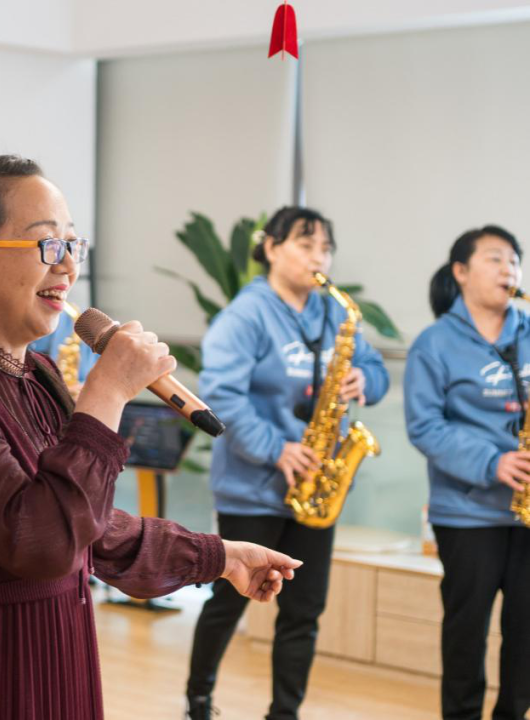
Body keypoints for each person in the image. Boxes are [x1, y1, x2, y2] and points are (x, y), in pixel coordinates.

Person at [0, 155, 301, 720]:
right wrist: (107, 392)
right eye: (46, 244)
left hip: (54, 655)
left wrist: (219, 556)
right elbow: (42, 543)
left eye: (73, 245)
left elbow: (87, 528)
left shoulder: (36, 373)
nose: (69, 266)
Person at [184, 207, 390, 720]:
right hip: (253, 486)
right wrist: (276, 448)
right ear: (272, 248)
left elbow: (374, 366)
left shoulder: (333, 312)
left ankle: (285, 713)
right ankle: (198, 700)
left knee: (304, 610)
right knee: (229, 599)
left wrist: (366, 379)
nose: (319, 257)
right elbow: (221, 396)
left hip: (317, 487)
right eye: (306, 244)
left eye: (326, 248)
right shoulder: (244, 315)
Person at [405, 226, 530, 720]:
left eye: (514, 260)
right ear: (460, 271)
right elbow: (424, 426)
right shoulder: (433, 343)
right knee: (466, 632)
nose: (509, 269)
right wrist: (492, 461)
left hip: (525, 516)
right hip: (466, 512)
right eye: (495, 259)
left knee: (526, 635)